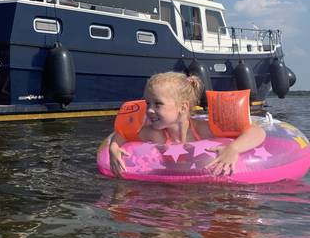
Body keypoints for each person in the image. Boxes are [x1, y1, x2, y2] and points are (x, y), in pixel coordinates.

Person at [109, 72, 266, 177]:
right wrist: (113, 147)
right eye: (148, 103)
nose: (149, 110)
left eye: (158, 104)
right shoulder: (154, 133)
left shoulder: (202, 130)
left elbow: (256, 132)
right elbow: (123, 134)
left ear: (183, 107)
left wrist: (233, 149)